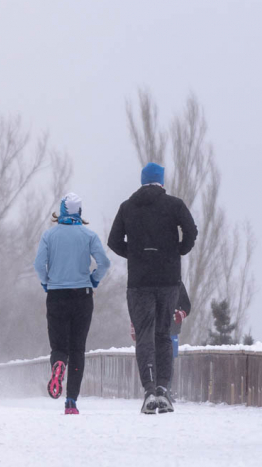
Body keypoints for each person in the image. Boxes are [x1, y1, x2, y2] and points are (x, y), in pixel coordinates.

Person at [108, 162, 197, 414]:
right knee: (164, 334)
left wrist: (136, 256)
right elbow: (191, 231)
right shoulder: (175, 205)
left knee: (144, 335)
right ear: (161, 181)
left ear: (142, 180)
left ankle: (148, 391)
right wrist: (177, 251)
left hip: (139, 282)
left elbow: (114, 241)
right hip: (169, 281)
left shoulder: (127, 207)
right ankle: (164, 390)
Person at [34, 192, 111, 415]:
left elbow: (39, 265)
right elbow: (104, 263)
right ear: (79, 212)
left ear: (62, 210)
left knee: (59, 347)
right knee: (78, 349)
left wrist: (47, 282)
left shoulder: (49, 236)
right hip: (82, 296)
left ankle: (58, 365)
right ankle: (71, 402)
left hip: (57, 296)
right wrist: (94, 279)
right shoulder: (88, 235)